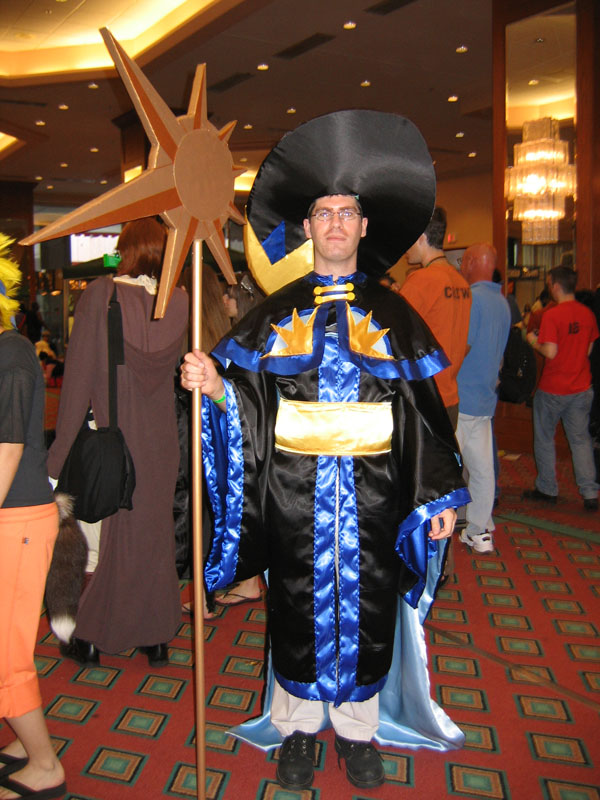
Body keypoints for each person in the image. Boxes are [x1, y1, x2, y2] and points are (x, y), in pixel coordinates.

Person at [182, 111, 469, 790]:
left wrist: (437, 496)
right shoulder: (272, 316)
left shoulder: (395, 315)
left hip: (376, 495)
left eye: (347, 212)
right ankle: (297, 731)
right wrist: (216, 386)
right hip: (293, 493)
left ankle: (358, 732)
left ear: (364, 227)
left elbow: (423, 417)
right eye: (323, 213)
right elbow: (250, 406)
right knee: (297, 608)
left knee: (369, 606)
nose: (335, 223)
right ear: (307, 228)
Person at [47, 217, 189, 666]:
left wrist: (56, 458)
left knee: (114, 541)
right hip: (162, 442)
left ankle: (91, 634)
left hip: (115, 440)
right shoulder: (180, 300)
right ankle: (156, 635)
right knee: (154, 539)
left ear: (125, 250)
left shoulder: (101, 295)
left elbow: (78, 382)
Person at [0, 246, 66, 800]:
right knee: (10, 641)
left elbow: (8, 449)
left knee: (4, 650)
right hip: (14, 516)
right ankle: (27, 746)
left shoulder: (12, 352)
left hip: (15, 518)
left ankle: (46, 767)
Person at [525, 266, 599, 511]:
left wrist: (533, 341)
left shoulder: (552, 315)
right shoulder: (587, 314)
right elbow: (588, 349)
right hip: (581, 386)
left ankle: (547, 488)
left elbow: (550, 351)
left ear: (555, 286)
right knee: (580, 440)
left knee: (545, 438)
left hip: (554, 388)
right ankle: (589, 491)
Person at [455, 244, 511, 553]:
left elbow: (462, 347)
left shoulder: (471, 299)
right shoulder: (502, 303)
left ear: (473, 262)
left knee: (447, 468)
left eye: (464, 260)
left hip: (461, 397)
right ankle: (479, 530)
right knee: (482, 470)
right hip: (485, 398)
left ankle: (435, 531)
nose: (462, 266)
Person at [400, 207, 471, 430]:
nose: (405, 248)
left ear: (422, 238)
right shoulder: (461, 283)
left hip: (425, 396)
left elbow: (395, 337)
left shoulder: (421, 281)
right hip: (450, 396)